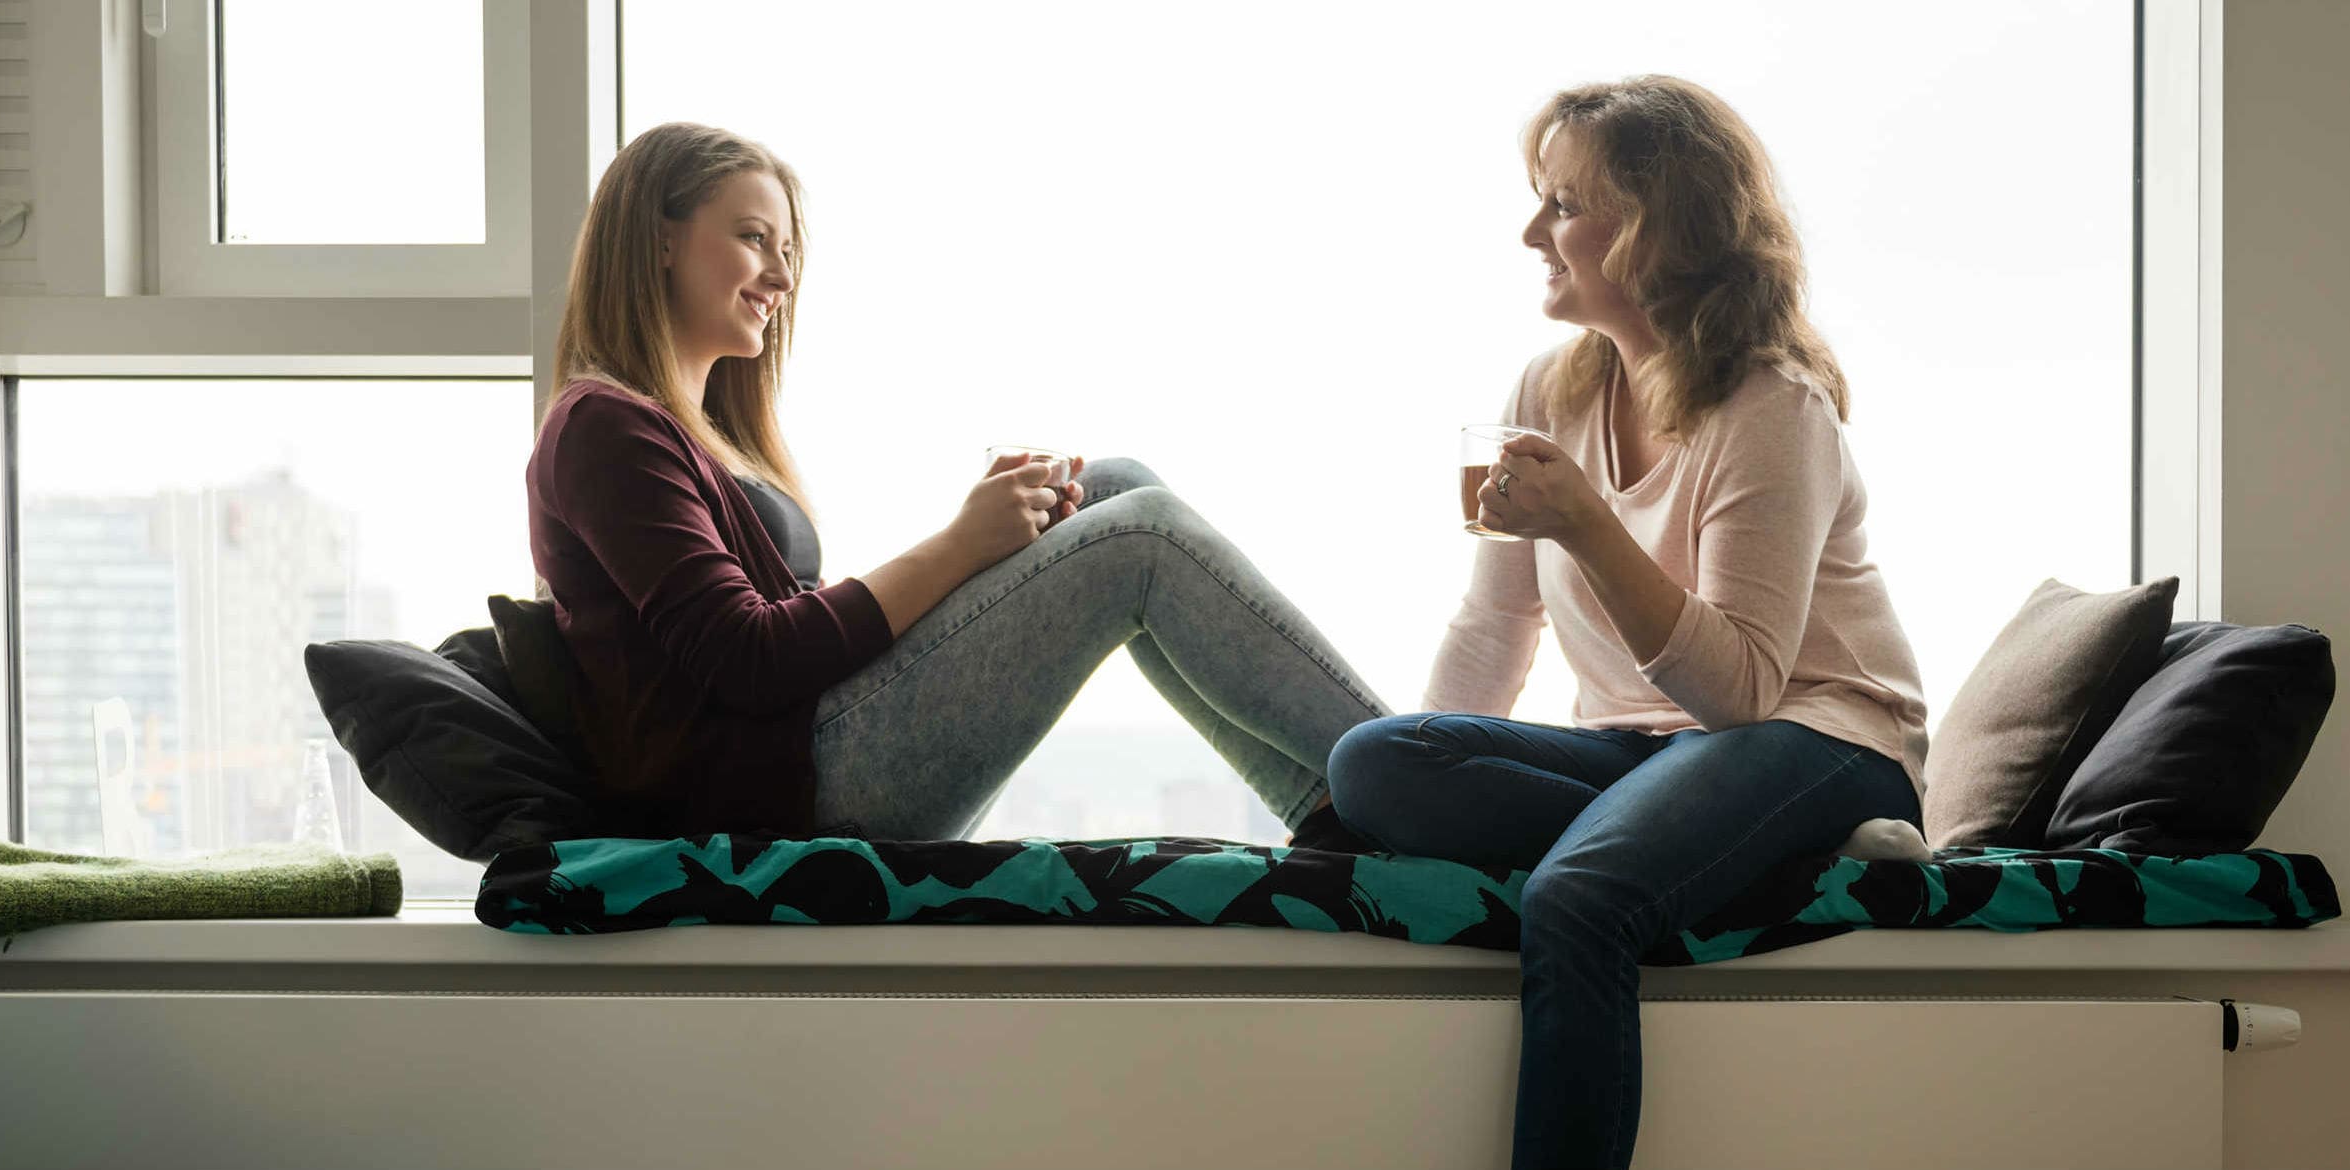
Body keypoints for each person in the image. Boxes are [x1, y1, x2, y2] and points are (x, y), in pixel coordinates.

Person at [1324, 77, 1930, 1169]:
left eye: (1562, 205)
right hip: (1643, 757)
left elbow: (1743, 690)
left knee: (1584, 895)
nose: (1530, 233)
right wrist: (1410, 795)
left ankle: (1756, 839)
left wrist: (1590, 527)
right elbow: (1495, 623)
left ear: (1659, 226)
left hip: (1819, 738)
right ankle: (1773, 862)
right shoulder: (1549, 388)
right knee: (1375, 764)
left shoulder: (1771, 407)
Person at [529, 122, 1387, 848]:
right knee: (1144, 534)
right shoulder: (606, 427)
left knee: (1113, 485)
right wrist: (959, 548)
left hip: (808, 751)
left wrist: (989, 552)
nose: (784, 281)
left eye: (788, 252)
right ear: (660, 237)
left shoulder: (696, 432)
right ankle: (1425, 779)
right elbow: (749, 659)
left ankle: (1332, 815)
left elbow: (792, 643)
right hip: (781, 794)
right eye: (755, 239)